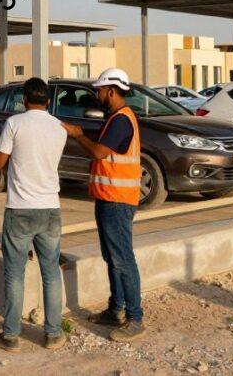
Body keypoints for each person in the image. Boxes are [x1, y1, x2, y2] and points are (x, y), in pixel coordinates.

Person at [60, 68, 145, 342]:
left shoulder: (121, 120)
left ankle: (135, 317)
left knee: (122, 260)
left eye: (99, 90)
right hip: (109, 198)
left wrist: (77, 134)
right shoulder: (117, 118)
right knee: (112, 258)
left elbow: (98, 152)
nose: (97, 94)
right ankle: (115, 309)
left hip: (117, 201)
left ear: (111, 90)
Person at [0, 77, 67, 352]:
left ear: (24, 99)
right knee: (51, 273)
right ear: (47, 100)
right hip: (50, 208)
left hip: (19, 208)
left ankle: (10, 336)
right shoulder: (59, 128)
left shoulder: (14, 124)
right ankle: (53, 333)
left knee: (14, 274)